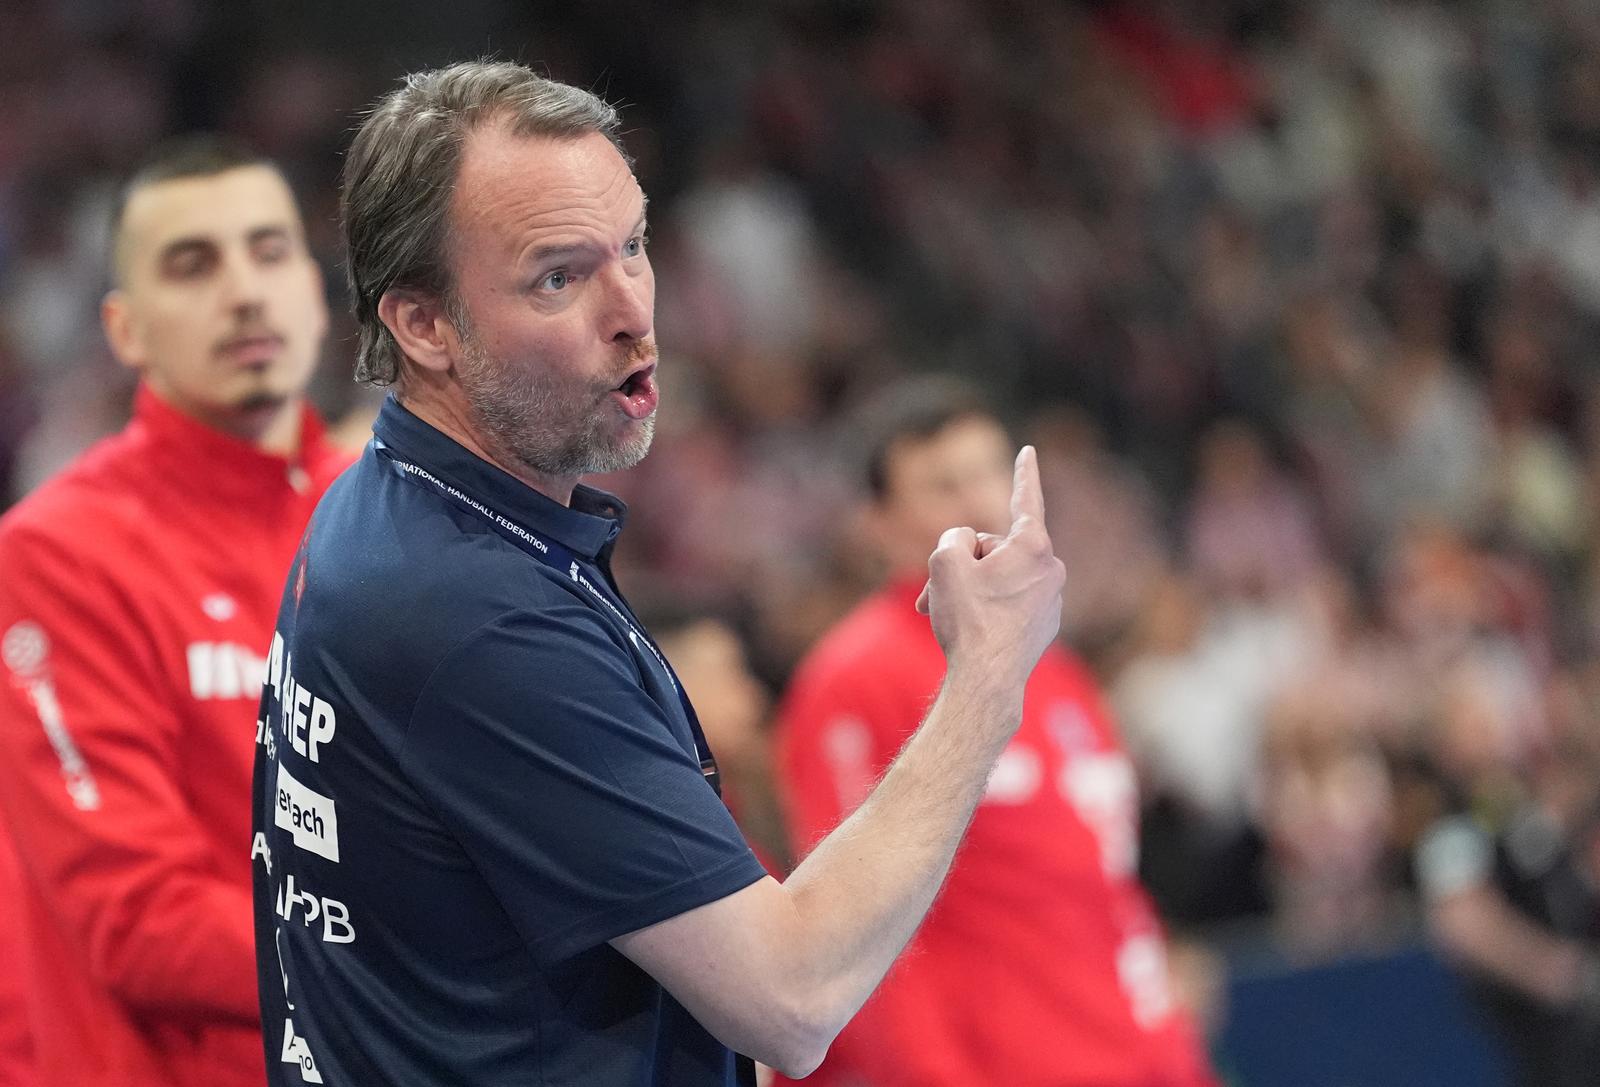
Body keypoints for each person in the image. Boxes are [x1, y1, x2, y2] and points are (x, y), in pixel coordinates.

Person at [250, 60, 1065, 1086]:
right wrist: (986, 673)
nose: (632, 310)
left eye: (632, 246)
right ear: (423, 326)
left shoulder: (393, 508)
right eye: (558, 276)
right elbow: (794, 994)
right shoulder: (469, 613)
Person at [0, 137, 348, 1087]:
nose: (243, 290)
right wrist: (420, 961)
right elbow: (139, 919)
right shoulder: (57, 552)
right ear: (126, 330)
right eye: (192, 265)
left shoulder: (395, 521)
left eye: (270, 251)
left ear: (317, 297)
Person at [773, 378, 1217, 1087]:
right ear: (878, 522)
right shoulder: (853, 679)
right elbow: (857, 930)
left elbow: (1104, 886)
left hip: (1137, 1057)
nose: (977, 502)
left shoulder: (1056, 667)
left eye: (989, 472)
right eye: (941, 485)